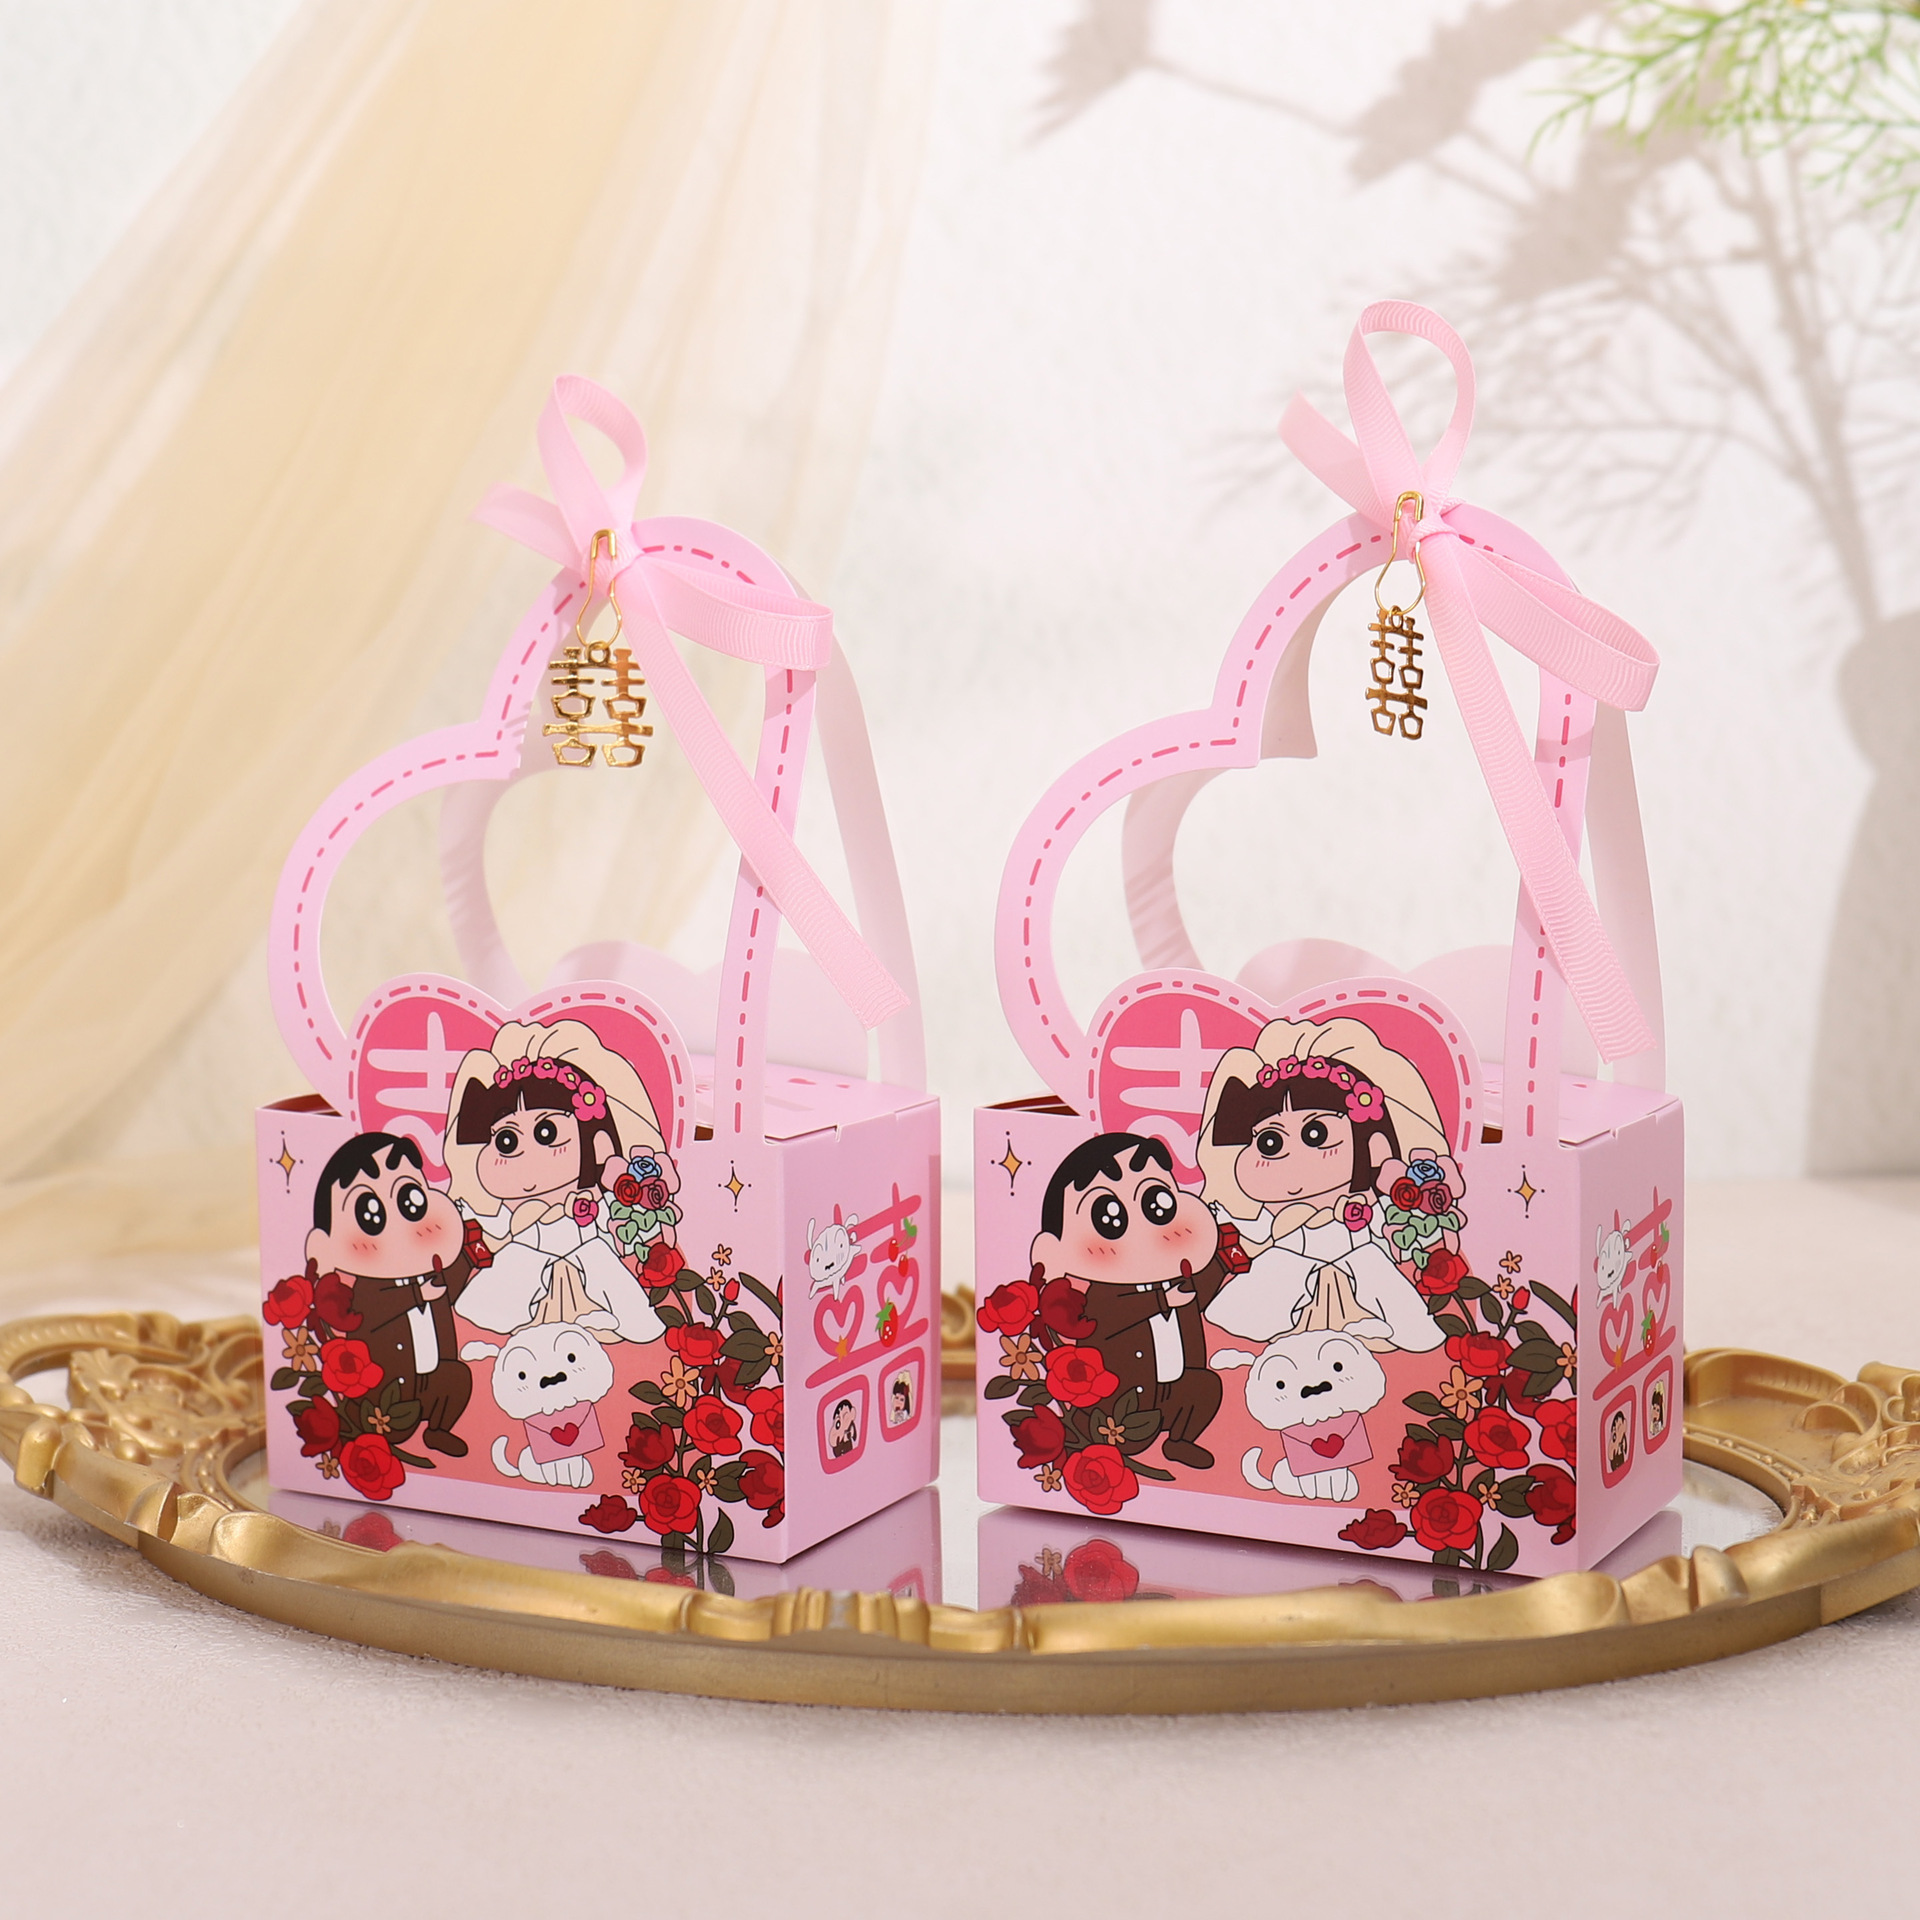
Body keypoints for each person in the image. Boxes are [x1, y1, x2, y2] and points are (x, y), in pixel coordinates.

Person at [1196, 1017, 1449, 1354]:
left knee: (1373, 1270)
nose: (1292, 1160)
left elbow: (1400, 1232)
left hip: (1360, 1268)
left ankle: (1375, 1326)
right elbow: (1254, 1232)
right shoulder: (1278, 1222)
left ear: (1371, 1143)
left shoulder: (1367, 1211)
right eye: (1270, 1143)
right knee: (1275, 1277)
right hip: (1291, 1272)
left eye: (1316, 1135)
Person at [444, 1019, 670, 1343]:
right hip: (526, 1267)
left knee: (603, 1270)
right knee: (507, 1284)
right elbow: (490, 1232)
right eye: (506, 1142)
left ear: (596, 1141)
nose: (526, 1158)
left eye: (546, 1133)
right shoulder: (514, 1218)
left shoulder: (595, 1205)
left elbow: (628, 1227)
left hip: (590, 1263)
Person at [1029, 1131, 1236, 1471]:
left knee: (1206, 1388)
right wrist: (1161, 1300)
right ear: (1056, 1249)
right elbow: (1106, 1319)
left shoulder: (1175, 1275)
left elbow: (1196, 1297)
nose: (1143, 1230)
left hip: (1180, 1383)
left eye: (1159, 1203)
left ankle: (1180, 1441)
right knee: (1126, 1432)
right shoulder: (1104, 1293)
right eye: (1109, 1219)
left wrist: (1222, 1264)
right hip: (1127, 1392)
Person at [305, 1131, 476, 1456]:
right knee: (392, 1424)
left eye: (412, 1200)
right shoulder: (369, 1288)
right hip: (391, 1381)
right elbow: (369, 1314)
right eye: (370, 1215)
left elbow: (447, 1292)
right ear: (325, 1245)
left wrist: (467, 1259)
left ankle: (438, 1431)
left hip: (436, 1372)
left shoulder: (429, 1271)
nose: (399, 1226)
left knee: (457, 1380)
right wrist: (417, 1295)